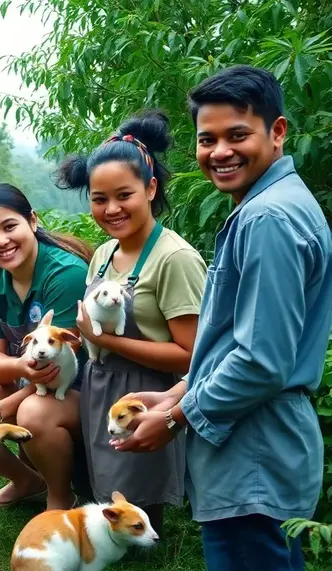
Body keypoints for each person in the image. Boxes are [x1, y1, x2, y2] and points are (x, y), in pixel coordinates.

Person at [112, 65, 332, 571]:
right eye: (206, 139)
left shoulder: (267, 219)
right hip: (258, 452)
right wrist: (177, 391)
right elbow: (239, 340)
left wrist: (172, 418)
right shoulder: (271, 205)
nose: (220, 152)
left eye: (238, 135)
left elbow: (260, 361)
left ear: (277, 132)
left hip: (253, 451)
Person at [58, 110, 207, 538]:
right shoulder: (105, 253)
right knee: (106, 479)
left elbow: (191, 354)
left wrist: (107, 341)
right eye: (99, 198)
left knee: (139, 489)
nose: (111, 209)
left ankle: (148, 540)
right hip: (100, 381)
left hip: (148, 388)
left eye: (124, 195)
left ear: (151, 188)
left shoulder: (173, 258)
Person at [0, 183, 93, 512]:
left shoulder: (65, 274)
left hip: (79, 392)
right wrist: (14, 368)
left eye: (10, 226)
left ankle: (60, 498)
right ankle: (26, 481)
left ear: (33, 221)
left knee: (33, 412)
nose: (1, 241)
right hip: (36, 383)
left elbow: (55, 372)